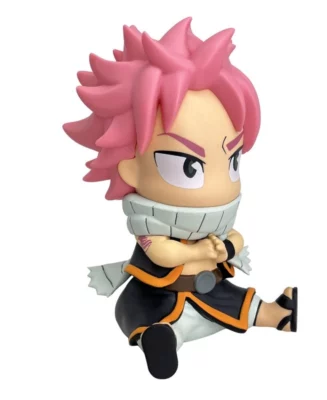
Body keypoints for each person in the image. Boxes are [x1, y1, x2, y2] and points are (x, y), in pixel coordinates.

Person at [63, 17, 298, 380]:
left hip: (211, 290)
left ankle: (276, 313)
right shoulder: (149, 227)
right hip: (157, 296)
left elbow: (235, 239)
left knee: (233, 299)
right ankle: (163, 340)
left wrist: (226, 247)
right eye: (189, 167)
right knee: (146, 317)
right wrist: (201, 251)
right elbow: (162, 253)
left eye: (233, 161)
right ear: (130, 169)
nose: (219, 186)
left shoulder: (216, 225)